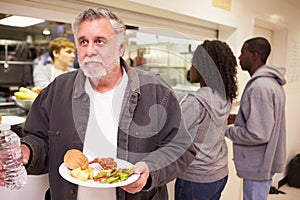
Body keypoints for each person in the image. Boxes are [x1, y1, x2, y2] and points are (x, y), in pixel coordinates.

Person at [0, 7, 196, 200]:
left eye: (100, 41)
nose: (90, 50)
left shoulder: (154, 90)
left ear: (121, 47)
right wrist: (27, 151)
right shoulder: (59, 89)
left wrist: (150, 170)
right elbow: (39, 139)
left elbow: (180, 146)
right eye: (83, 42)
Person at [175, 40, 238, 200]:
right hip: (218, 174)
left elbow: (174, 134)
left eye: (194, 63)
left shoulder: (196, 101)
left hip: (195, 178)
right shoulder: (225, 96)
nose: (191, 68)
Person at [226, 37, 286, 200]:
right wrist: (236, 118)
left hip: (257, 165)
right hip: (262, 163)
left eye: (242, 52)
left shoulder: (260, 87)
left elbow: (258, 133)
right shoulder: (271, 84)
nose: (239, 57)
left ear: (255, 56)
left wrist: (227, 131)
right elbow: (264, 119)